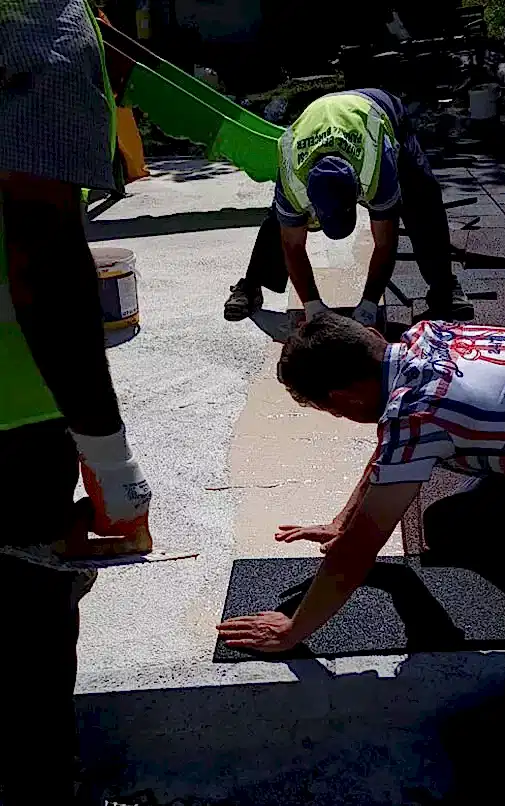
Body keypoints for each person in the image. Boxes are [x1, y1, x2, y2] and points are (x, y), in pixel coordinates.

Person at [217, 313, 505, 652]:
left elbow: (360, 547)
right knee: (449, 526)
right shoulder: (427, 337)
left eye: (333, 410)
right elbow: (391, 447)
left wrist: (291, 630)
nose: (339, 415)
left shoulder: (418, 413)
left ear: (345, 396)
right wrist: (342, 520)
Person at [0, 2, 151, 803]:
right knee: (32, 620)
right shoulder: (46, 23)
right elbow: (43, 252)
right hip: (13, 411)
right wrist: (112, 465)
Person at [224, 88, 473, 327]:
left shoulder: (377, 166)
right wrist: (312, 307)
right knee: (282, 218)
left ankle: (445, 290)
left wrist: (369, 305)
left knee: (422, 198)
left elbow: (385, 243)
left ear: (358, 192)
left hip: (381, 112)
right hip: (319, 119)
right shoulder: (292, 176)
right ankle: (250, 286)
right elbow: (292, 245)